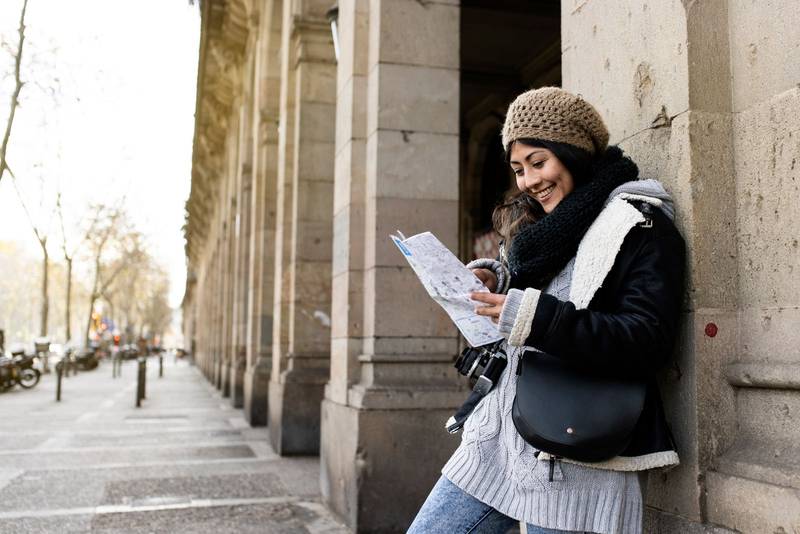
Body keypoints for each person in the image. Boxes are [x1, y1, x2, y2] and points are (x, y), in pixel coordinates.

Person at [407, 87, 686, 534]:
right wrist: (495, 283)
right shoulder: (542, 227)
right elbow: (550, 291)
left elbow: (645, 339)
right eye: (519, 169)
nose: (528, 181)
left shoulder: (637, 224)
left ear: (572, 152)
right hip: (493, 446)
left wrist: (529, 317)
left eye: (539, 162)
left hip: (572, 460)